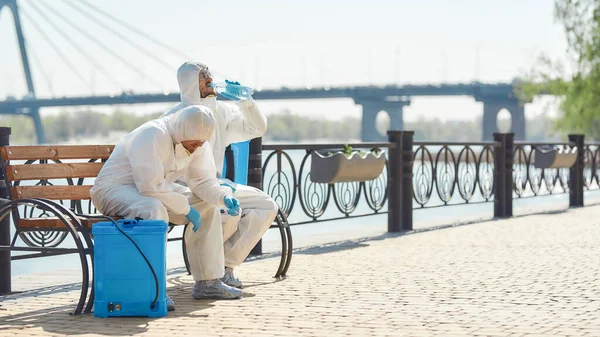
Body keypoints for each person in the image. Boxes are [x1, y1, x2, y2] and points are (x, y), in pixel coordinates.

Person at [90, 106, 244, 310]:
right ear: (183, 132)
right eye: (195, 143)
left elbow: (202, 180)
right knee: (153, 209)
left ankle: (208, 282)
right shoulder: (152, 134)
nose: (198, 147)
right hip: (114, 189)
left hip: (153, 189)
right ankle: (154, 288)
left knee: (205, 204)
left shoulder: (197, 141)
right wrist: (186, 209)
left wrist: (223, 197)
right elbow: (149, 186)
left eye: (202, 143)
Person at [161, 62, 278, 289]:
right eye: (203, 76)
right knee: (224, 212)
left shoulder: (220, 112)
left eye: (209, 74)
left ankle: (223, 267)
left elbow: (257, 129)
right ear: (190, 83)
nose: (210, 78)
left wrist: (245, 101)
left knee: (266, 205)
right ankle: (206, 276)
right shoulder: (174, 117)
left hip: (215, 186)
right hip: (182, 191)